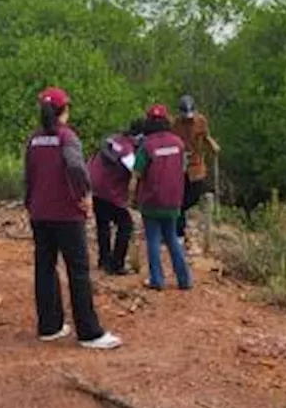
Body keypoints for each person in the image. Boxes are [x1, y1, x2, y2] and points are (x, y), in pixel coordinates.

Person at [24, 87, 122, 350]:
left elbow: (29, 176)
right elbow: (77, 167)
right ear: (64, 110)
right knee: (78, 271)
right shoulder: (67, 137)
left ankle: (49, 326)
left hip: (39, 212)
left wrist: (30, 204)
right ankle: (89, 332)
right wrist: (85, 196)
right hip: (66, 214)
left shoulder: (33, 139)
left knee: (44, 268)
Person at [133, 104, 193, 291]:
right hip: (173, 200)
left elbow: (137, 172)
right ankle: (184, 279)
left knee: (152, 239)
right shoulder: (178, 143)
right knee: (172, 237)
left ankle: (157, 279)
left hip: (151, 200)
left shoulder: (147, 145)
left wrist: (131, 197)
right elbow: (183, 169)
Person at [88, 118, 145, 275]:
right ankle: (116, 264)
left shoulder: (114, 139)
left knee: (103, 225)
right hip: (110, 193)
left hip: (95, 188)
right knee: (125, 225)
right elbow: (135, 171)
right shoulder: (127, 150)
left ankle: (104, 259)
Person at [172, 94, 220, 249]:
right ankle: (178, 233)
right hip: (179, 167)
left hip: (196, 165)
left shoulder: (201, 121)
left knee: (191, 198)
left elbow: (205, 136)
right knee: (179, 201)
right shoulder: (175, 124)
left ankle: (178, 222)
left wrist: (212, 145)